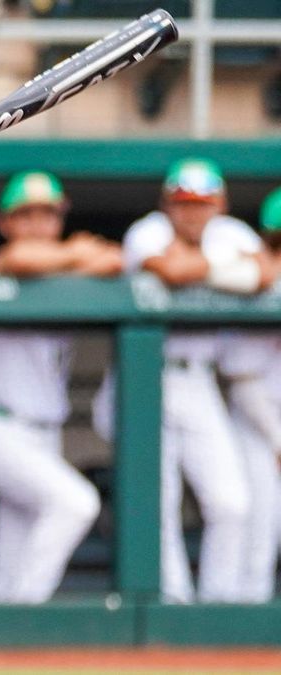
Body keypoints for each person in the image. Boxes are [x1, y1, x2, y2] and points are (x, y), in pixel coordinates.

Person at [0, 171, 116, 604]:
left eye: (47, 214)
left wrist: (78, 256)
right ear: (5, 222)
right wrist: (77, 253)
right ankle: (29, 613)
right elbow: (21, 260)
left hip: (45, 432)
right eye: (25, 215)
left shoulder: (65, 270)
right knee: (76, 503)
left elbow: (116, 263)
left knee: (10, 563)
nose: (37, 224)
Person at [120, 157, 271, 604]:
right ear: (167, 204)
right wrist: (227, 270)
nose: (193, 213)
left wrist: (201, 264)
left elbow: (265, 273)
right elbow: (168, 270)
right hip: (148, 376)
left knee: (231, 502)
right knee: (158, 505)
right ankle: (172, 607)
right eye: (183, 203)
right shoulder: (147, 231)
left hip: (200, 381)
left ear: (220, 203)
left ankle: (217, 603)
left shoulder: (231, 233)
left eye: (203, 204)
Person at [214, 185, 281, 603]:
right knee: (259, 524)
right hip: (260, 425)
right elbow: (242, 376)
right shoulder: (262, 291)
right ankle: (235, 627)